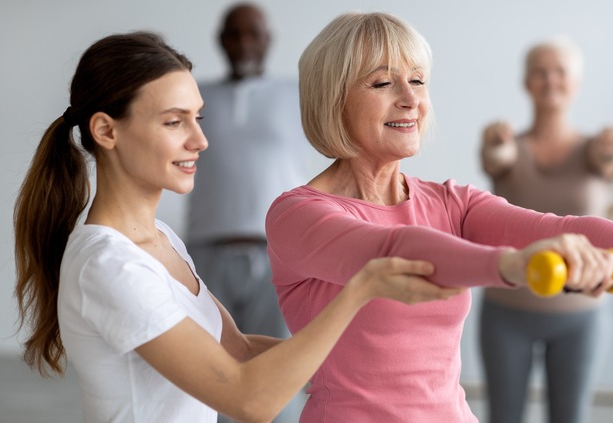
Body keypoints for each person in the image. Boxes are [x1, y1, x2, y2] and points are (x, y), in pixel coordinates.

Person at [265, 11, 613, 422]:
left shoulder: (450, 201)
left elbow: (563, 228)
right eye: (382, 83)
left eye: (417, 80)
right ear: (333, 97)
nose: (411, 98)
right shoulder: (298, 215)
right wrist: (516, 266)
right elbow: (396, 253)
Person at [12, 31, 462, 423]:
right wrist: (359, 291)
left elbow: (239, 351)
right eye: (174, 121)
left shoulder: (160, 241)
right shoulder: (110, 266)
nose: (200, 140)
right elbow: (250, 400)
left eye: (198, 117)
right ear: (107, 132)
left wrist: (383, 367)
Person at [479, 37, 613, 423]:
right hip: (507, 312)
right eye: (540, 72)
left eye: (560, 72)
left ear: (576, 82)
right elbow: (497, 159)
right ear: (527, 82)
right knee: (504, 417)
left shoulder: (597, 148)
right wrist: (495, 144)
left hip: (581, 316)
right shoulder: (508, 145)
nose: (550, 80)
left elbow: (608, 161)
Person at [185, 2, 309, 341]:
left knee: (277, 362)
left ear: (268, 39)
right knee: (207, 365)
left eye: (253, 33)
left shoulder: (299, 95)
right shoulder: (193, 97)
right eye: (234, 34)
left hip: (279, 254)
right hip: (206, 253)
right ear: (220, 40)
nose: (244, 43)